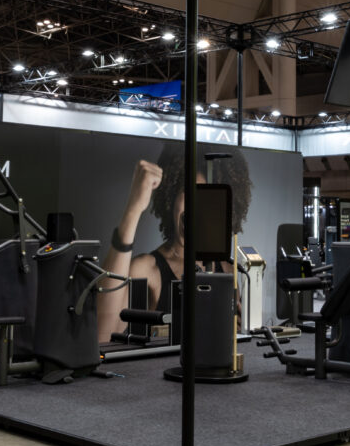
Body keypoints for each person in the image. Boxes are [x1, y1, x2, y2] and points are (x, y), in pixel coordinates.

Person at [95, 143, 252, 342]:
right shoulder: (146, 269)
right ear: (172, 198)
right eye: (189, 192)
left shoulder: (229, 270)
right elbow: (102, 334)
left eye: (206, 199)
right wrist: (134, 207)